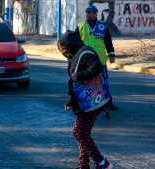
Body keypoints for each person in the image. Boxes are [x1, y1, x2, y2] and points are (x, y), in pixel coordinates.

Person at [57, 31, 113, 169]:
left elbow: (96, 67)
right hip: (84, 102)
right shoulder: (75, 55)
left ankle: (102, 163)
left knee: (79, 132)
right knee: (84, 134)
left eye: (64, 47)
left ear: (70, 45)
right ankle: (84, 165)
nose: (63, 51)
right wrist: (71, 100)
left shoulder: (85, 53)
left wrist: (80, 75)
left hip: (92, 101)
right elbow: (74, 82)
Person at [75, 4, 118, 111]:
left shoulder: (102, 26)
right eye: (87, 12)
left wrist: (111, 55)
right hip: (86, 61)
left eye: (90, 12)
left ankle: (108, 103)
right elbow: (75, 42)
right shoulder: (80, 26)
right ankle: (86, 103)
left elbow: (108, 42)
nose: (88, 14)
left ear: (95, 14)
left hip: (100, 60)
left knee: (104, 82)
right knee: (85, 83)